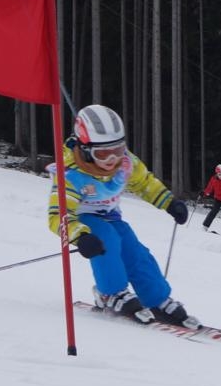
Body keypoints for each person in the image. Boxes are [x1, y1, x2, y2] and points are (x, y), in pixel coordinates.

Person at [47, 104, 196, 327]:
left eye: (117, 150)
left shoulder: (125, 163)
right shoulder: (71, 174)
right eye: (102, 153)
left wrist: (169, 202)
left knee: (134, 250)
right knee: (106, 239)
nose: (112, 159)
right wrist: (80, 237)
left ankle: (156, 299)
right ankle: (110, 293)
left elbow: (144, 183)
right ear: (85, 150)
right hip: (83, 219)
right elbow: (57, 215)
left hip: (111, 216)